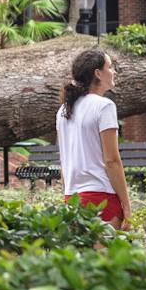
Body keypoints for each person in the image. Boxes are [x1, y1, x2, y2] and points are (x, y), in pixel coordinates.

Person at [56, 48, 131, 229]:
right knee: (107, 257)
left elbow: (64, 161)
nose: (113, 72)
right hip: (101, 198)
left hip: (72, 199)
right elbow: (112, 160)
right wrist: (127, 207)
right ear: (98, 73)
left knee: (81, 258)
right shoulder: (104, 106)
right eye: (110, 67)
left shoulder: (63, 111)